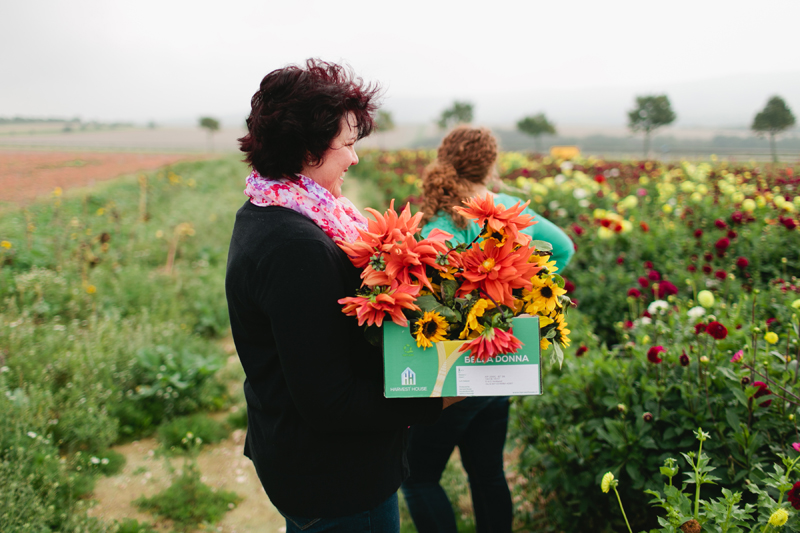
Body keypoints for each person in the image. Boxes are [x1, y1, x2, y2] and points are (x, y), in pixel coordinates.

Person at [226, 59, 458, 533]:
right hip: (336, 480)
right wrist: (439, 398)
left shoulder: (266, 209)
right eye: (347, 145)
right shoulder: (295, 247)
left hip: (306, 464)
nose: (355, 159)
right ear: (305, 148)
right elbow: (330, 402)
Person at [400, 125, 574, 533]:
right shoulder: (510, 206)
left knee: (418, 476)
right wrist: (523, 292)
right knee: (488, 474)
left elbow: (429, 290)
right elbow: (563, 246)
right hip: (503, 358)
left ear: (445, 158)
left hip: (455, 375)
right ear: (491, 164)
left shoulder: (442, 220)